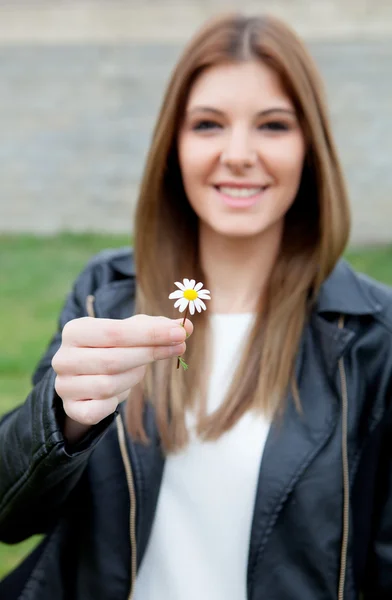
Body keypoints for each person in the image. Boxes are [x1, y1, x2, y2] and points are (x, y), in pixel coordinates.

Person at [0, 12, 391, 600]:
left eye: (273, 125)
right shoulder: (105, 293)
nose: (238, 154)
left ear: (311, 146)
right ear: (172, 146)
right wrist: (63, 420)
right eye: (208, 124)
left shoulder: (372, 335)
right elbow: (11, 514)